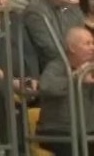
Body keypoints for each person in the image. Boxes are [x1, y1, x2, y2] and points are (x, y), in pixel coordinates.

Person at [36, 26, 94, 156]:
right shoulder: (57, 65)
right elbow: (46, 86)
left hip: (87, 131)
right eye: (87, 44)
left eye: (93, 43)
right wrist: (76, 77)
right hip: (56, 131)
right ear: (72, 48)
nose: (92, 47)